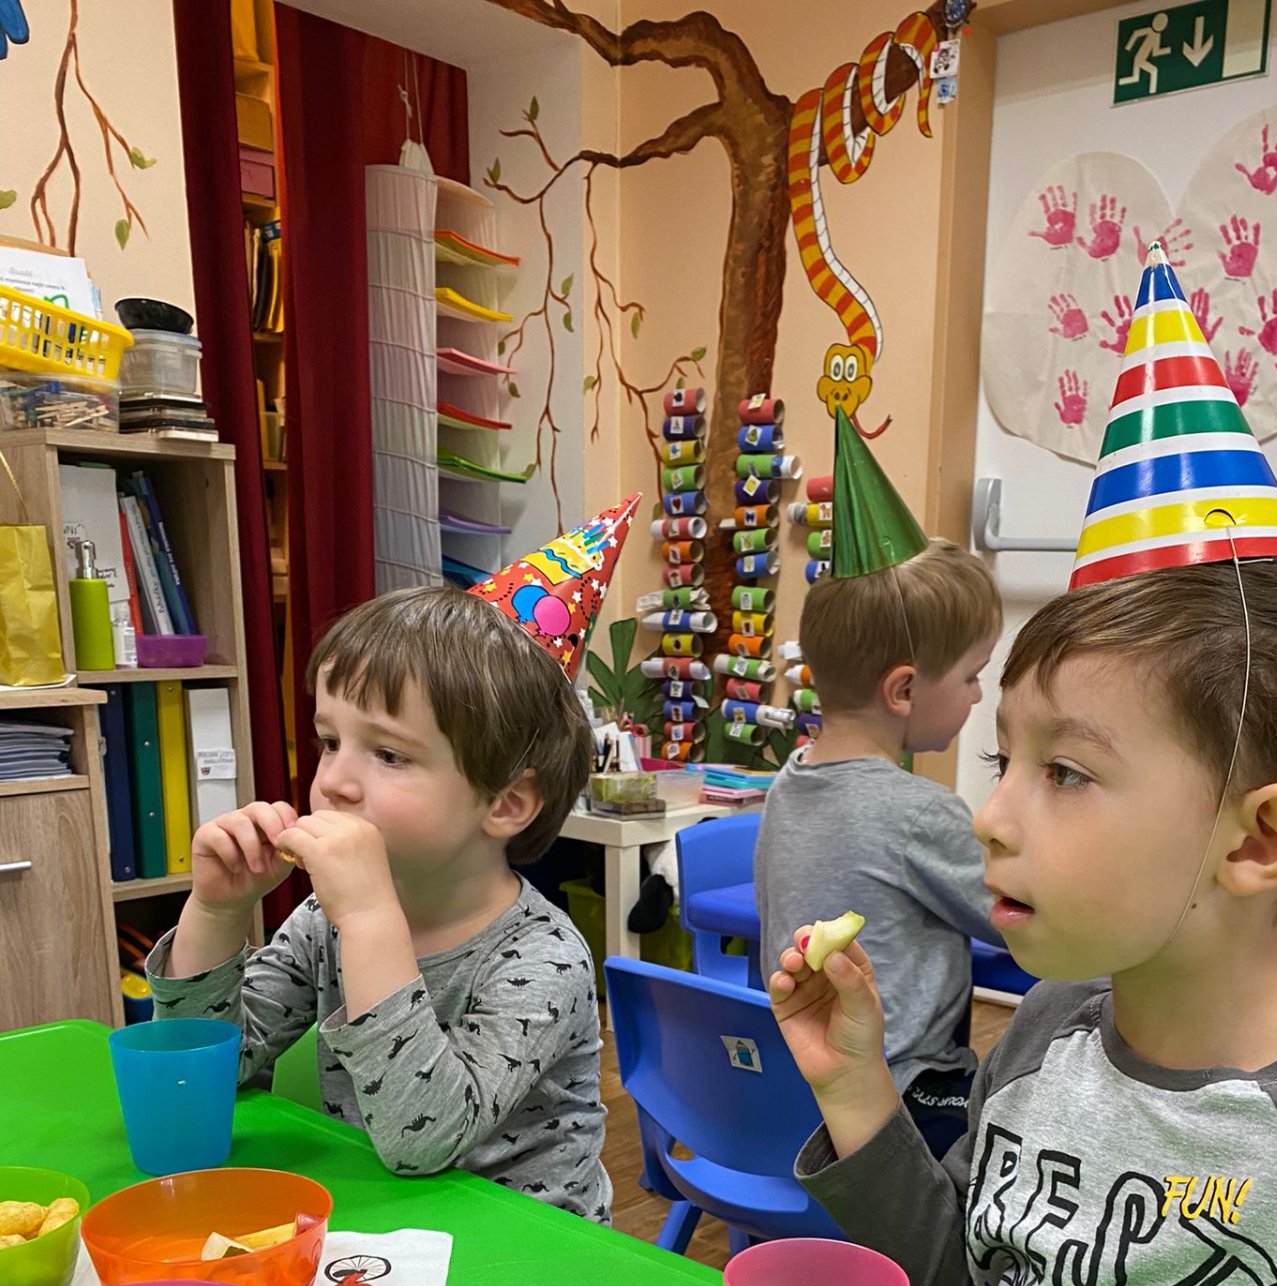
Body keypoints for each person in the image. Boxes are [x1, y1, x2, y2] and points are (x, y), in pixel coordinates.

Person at [767, 244, 1277, 1286]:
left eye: (1065, 772)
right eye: (1002, 759)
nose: (992, 815)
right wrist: (855, 1089)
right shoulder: (1042, 1037)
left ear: (1257, 841)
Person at [149, 497, 640, 1221]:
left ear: (506, 803)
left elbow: (425, 1137)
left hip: (525, 1252)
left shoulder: (544, 958)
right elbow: (207, 1073)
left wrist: (371, 919)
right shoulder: (323, 920)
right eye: (329, 741)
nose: (335, 781)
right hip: (383, 1235)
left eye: (388, 754)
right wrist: (217, 912)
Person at [757, 412, 1001, 1160]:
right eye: (972, 676)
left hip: (790, 1093)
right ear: (903, 689)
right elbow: (1017, 919)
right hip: (901, 1105)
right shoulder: (920, 813)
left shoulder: (787, 784)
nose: (978, 696)